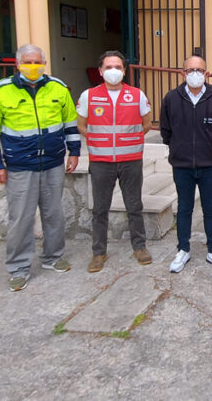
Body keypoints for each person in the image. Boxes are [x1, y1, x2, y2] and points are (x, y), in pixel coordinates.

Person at [0, 44, 80, 292]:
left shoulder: (57, 88)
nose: (33, 67)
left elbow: (70, 125)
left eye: (38, 62)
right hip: (20, 166)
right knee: (21, 218)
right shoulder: (1, 92)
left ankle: (53, 257)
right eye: (28, 62)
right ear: (18, 64)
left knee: (53, 214)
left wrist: (74, 152)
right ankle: (19, 268)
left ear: (44, 64)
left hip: (53, 163)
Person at [76, 50, 152, 272]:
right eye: (109, 67)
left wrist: (128, 141)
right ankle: (99, 252)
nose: (113, 71)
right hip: (101, 161)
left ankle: (139, 247)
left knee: (134, 206)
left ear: (124, 71)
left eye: (118, 67)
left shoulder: (137, 95)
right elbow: (81, 125)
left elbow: (146, 124)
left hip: (131, 160)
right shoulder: (88, 96)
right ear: (100, 71)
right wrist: (99, 142)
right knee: (100, 209)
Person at [160, 55, 212, 273]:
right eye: (190, 70)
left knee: (211, 208)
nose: (194, 74)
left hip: (209, 165)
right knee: (184, 208)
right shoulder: (171, 98)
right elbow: (165, 131)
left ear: (206, 74)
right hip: (181, 166)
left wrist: (207, 149)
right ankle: (183, 249)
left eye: (199, 70)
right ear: (182, 74)